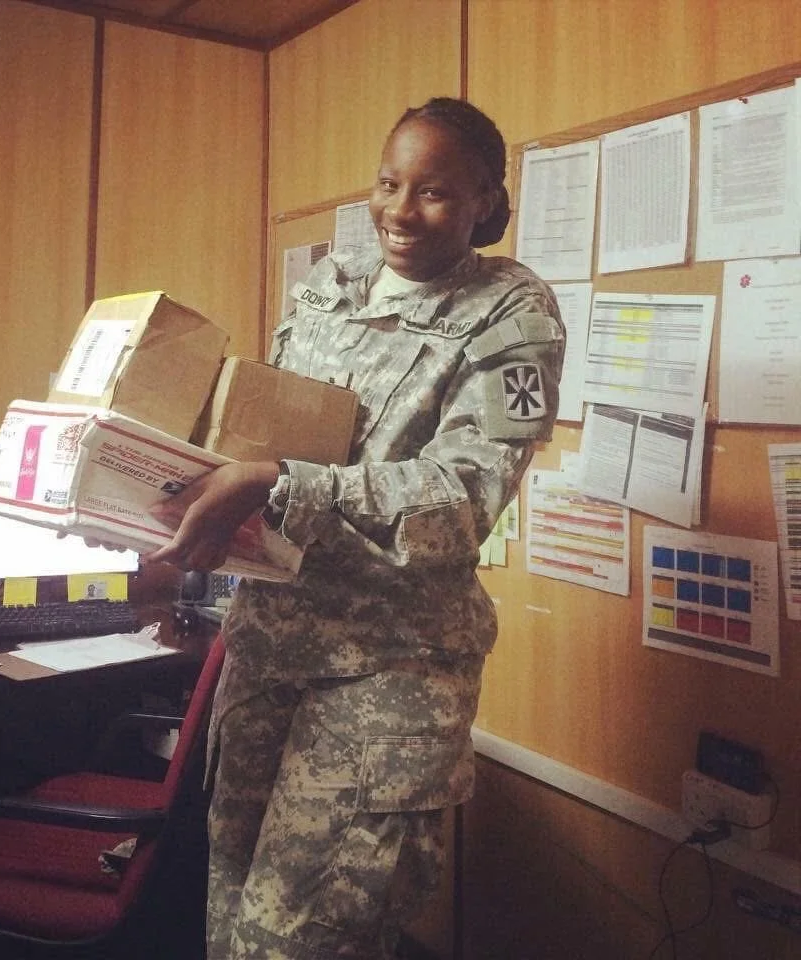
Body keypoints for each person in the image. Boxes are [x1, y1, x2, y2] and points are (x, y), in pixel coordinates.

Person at [145, 96, 566, 960]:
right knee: (227, 920)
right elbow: (260, 436)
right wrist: (156, 498)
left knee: (301, 943)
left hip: (387, 675)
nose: (401, 212)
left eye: (435, 193)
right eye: (388, 184)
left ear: (486, 200)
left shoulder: (508, 313)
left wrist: (279, 484)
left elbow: (463, 499)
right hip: (268, 649)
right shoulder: (327, 288)